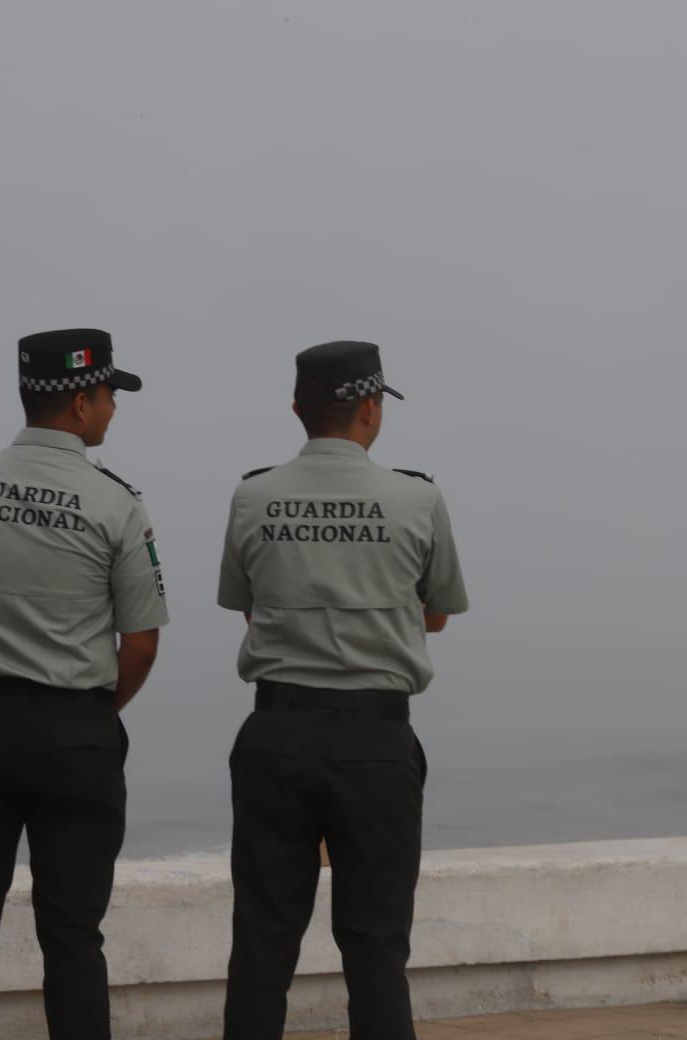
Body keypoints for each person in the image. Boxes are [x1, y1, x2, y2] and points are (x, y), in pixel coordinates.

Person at [0, 328, 167, 1040]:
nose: (115, 407)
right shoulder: (117, 503)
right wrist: (90, 710)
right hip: (76, 734)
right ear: (82, 401)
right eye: (111, 393)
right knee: (73, 934)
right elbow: (141, 644)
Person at [217, 340, 469, 1040]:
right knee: (376, 945)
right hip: (375, 737)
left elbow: (248, 604)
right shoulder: (417, 497)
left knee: (263, 942)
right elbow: (439, 613)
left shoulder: (254, 494)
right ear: (369, 408)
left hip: (275, 732)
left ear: (299, 408)